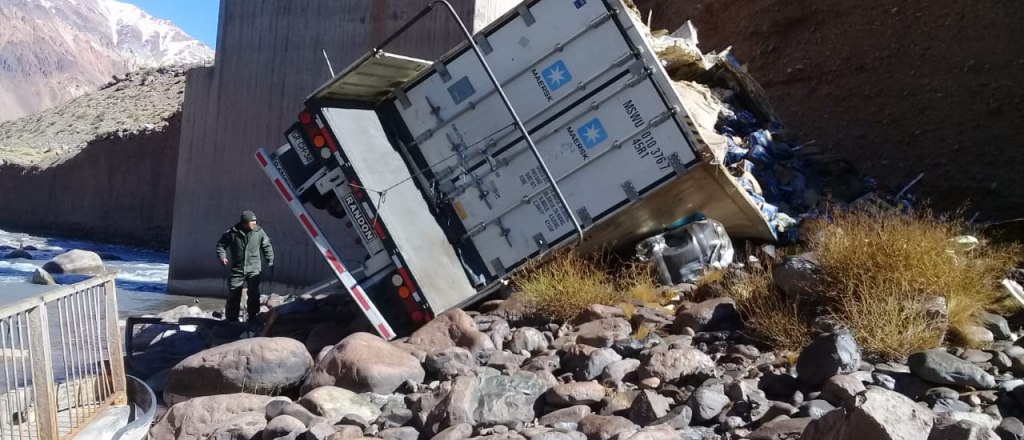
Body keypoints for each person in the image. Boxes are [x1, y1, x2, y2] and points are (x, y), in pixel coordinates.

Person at [216, 210, 274, 322]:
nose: (254, 223)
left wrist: (270, 260)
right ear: (244, 222)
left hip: (254, 268)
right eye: (251, 221)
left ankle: (252, 316)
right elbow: (220, 245)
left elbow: (266, 246)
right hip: (237, 268)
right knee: (234, 293)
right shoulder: (232, 233)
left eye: (255, 220)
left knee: (253, 292)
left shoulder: (259, 232)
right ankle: (232, 318)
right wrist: (222, 257)